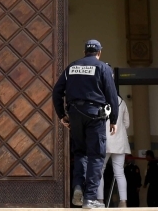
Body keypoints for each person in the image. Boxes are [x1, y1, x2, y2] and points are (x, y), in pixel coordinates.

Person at [53, 39, 119, 209]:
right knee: (96, 155)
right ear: (99, 53)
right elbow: (111, 95)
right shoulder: (103, 68)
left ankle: (78, 188)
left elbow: (57, 92)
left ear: (84, 52)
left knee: (80, 152)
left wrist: (62, 115)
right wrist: (114, 119)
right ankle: (90, 198)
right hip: (95, 116)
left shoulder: (72, 67)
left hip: (75, 114)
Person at [97, 95, 131, 206]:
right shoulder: (122, 102)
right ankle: (123, 201)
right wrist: (118, 132)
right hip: (119, 142)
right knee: (119, 172)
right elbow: (127, 123)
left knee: (99, 171)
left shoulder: (100, 99)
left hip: (104, 141)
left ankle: (100, 200)